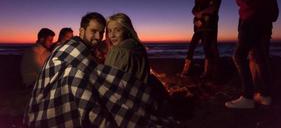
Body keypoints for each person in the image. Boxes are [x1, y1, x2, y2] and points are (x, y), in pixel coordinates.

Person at [24, 12, 175, 127]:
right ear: (82, 30)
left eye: (101, 32)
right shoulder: (70, 49)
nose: (98, 37)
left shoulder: (85, 51)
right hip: (52, 106)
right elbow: (82, 78)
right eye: (93, 31)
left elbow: (96, 75)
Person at [225, 0, 277, 109]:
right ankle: (265, 95)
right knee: (259, 56)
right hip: (259, 19)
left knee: (239, 56)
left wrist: (242, 2)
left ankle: (247, 97)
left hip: (252, 19)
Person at [181, 0, 221, 80]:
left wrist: (201, 13)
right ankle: (186, 70)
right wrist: (196, 17)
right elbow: (193, 11)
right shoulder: (198, 2)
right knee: (191, 47)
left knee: (208, 49)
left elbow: (213, 9)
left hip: (208, 29)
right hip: (198, 30)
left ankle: (208, 72)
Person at [105, 13, 150, 83]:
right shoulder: (139, 48)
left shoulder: (118, 51)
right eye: (110, 31)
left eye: (117, 30)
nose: (112, 35)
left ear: (127, 31)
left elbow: (107, 82)